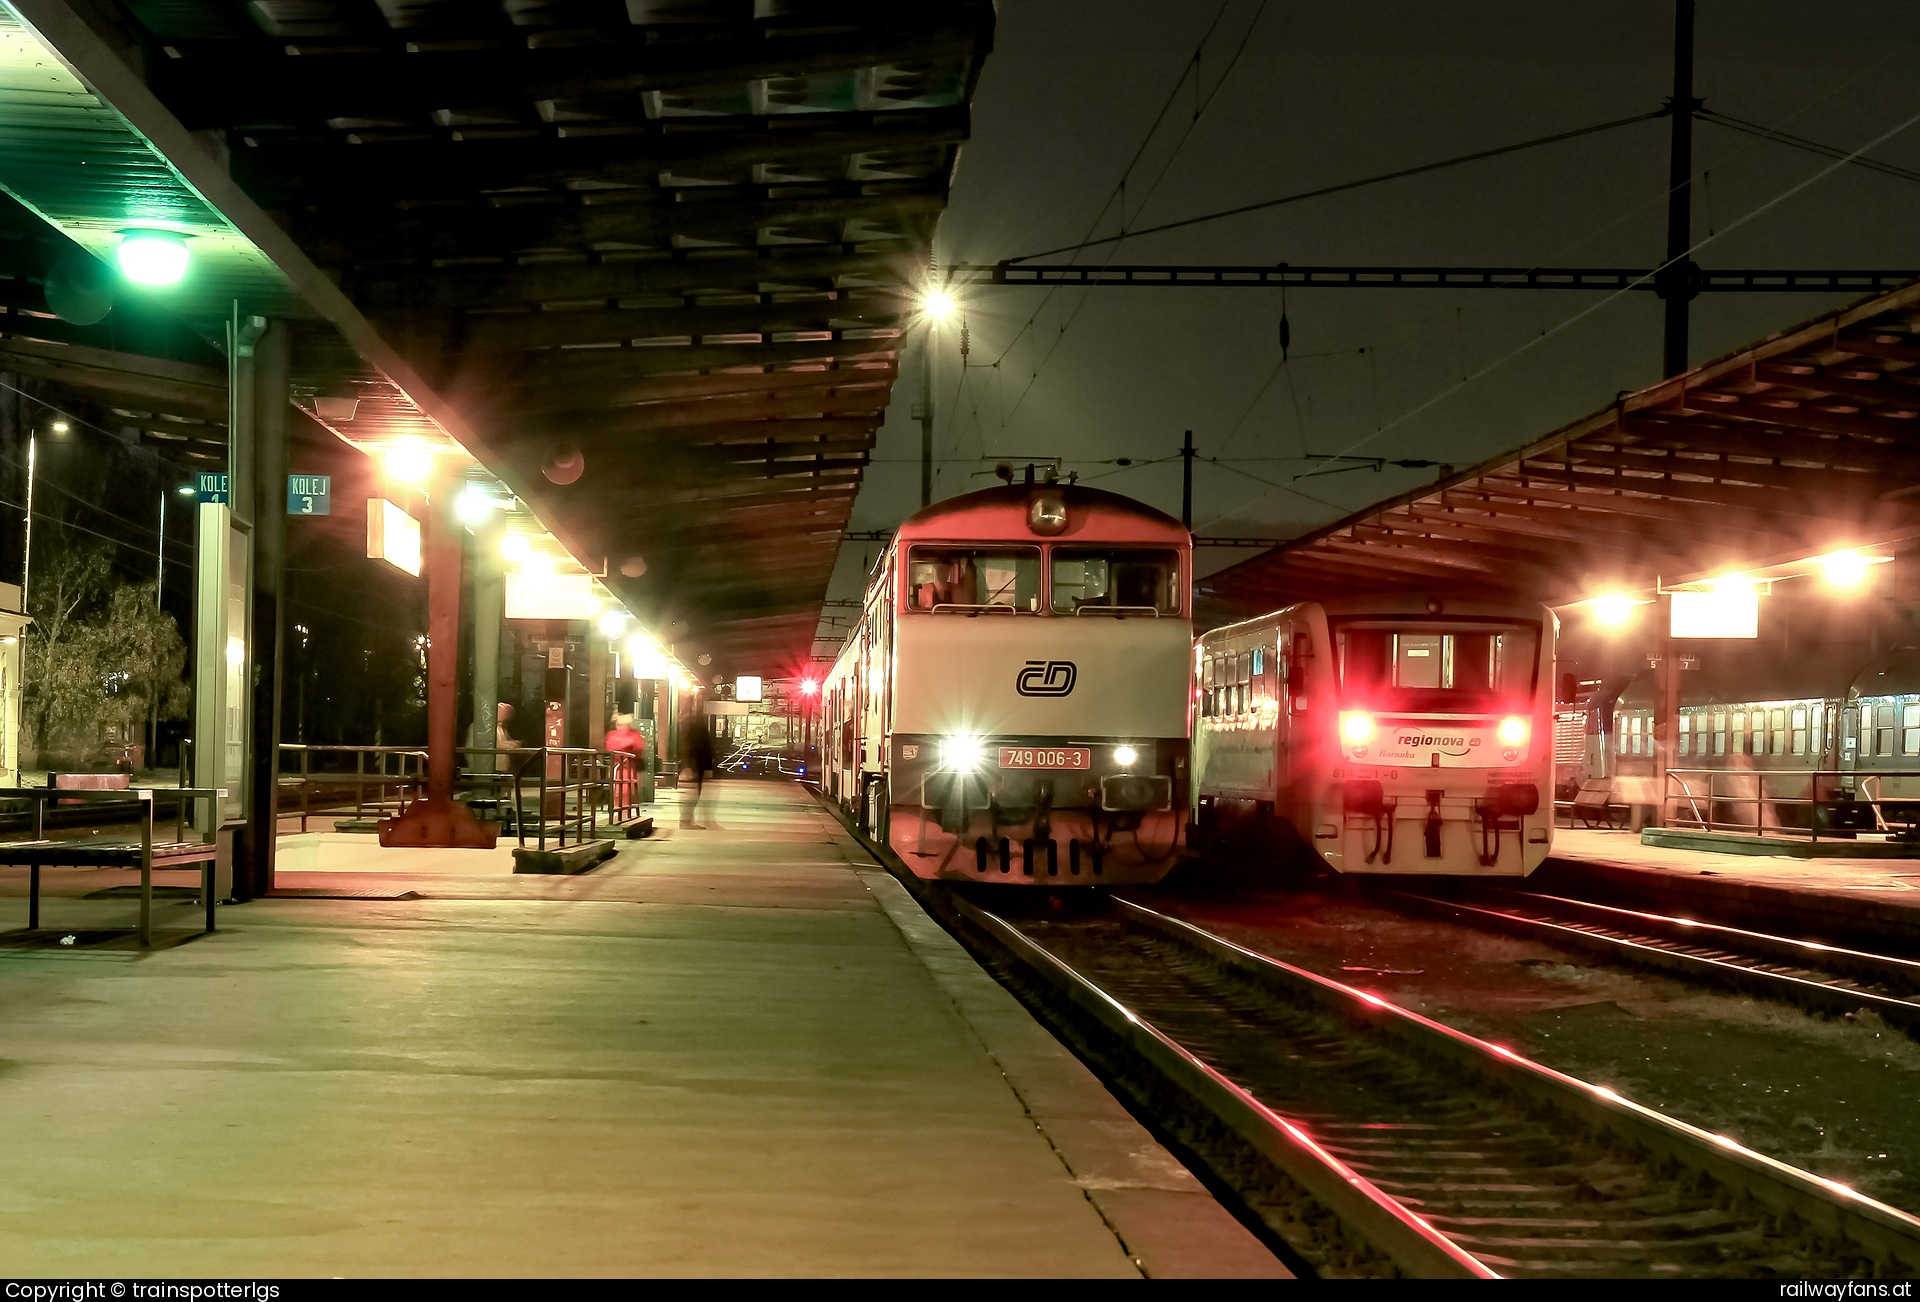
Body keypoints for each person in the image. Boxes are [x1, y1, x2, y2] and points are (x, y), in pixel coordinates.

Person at [604, 713, 646, 815]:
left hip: (630, 766)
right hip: (618, 766)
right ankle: (618, 810)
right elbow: (610, 747)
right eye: (620, 724)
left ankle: (625, 811)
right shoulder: (612, 734)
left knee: (628, 790)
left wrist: (626, 745)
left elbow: (639, 746)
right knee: (618, 790)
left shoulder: (634, 733)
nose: (622, 727)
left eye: (625, 724)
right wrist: (628, 744)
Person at [680, 715, 715, 828]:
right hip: (694, 765)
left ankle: (687, 820)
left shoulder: (689, 726)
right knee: (692, 794)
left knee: (693, 794)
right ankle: (686, 821)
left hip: (695, 764)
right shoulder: (694, 728)